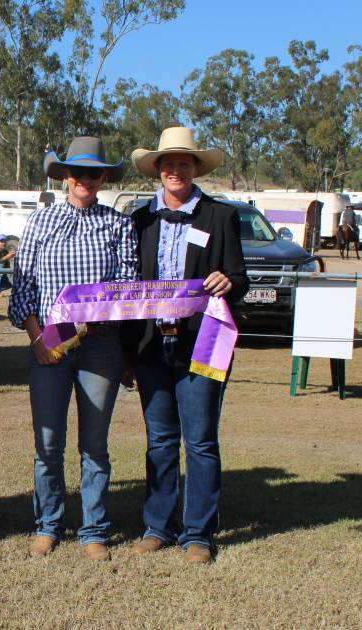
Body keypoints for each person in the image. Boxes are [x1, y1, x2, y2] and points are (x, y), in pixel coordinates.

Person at [8, 137, 139, 561]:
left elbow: (126, 286)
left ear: (104, 178)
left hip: (100, 345)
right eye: (77, 172)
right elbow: (23, 286)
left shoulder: (118, 225)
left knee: (94, 445)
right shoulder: (41, 223)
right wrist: (36, 338)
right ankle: (48, 524)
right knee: (47, 443)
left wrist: (92, 321)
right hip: (49, 341)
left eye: (94, 173)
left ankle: (94, 529)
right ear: (65, 176)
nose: (85, 179)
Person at [122, 126, 248, 564]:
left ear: (196, 168)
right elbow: (127, 290)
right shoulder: (138, 220)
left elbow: (241, 278)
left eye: (184, 163)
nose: (176, 170)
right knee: (159, 441)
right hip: (150, 345)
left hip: (204, 343)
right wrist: (125, 354)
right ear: (157, 170)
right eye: (168, 163)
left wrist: (229, 281)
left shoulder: (220, 216)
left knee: (200, 441)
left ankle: (199, 533)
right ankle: (158, 525)